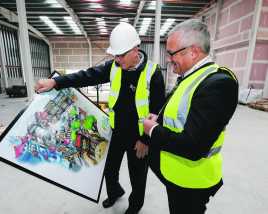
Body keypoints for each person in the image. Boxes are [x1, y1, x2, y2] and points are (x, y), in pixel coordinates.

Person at [35, 22, 165, 214]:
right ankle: (114, 193)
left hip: (138, 137)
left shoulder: (153, 73)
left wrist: (146, 140)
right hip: (116, 133)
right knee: (109, 170)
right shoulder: (113, 67)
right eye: (115, 55)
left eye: (120, 55)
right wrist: (55, 81)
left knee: (137, 175)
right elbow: (86, 76)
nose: (117, 59)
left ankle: (135, 205)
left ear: (135, 49)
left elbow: (158, 111)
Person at [143, 19, 238, 214]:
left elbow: (194, 146)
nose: (169, 59)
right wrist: (159, 119)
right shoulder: (192, 76)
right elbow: (182, 114)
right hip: (177, 175)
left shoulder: (218, 84)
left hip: (192, 182)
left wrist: (152, 130)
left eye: (171, 53)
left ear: (193, 51)